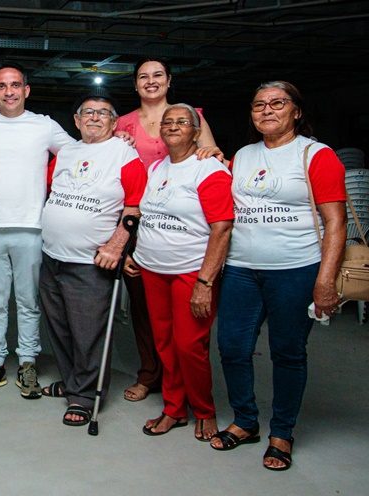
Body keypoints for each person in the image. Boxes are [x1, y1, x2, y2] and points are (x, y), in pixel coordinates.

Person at [210, 81, 346, 471]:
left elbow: (335, 223)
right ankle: (245, 422)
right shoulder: (244, 156)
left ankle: (282, 432)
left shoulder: (316, 155)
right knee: (233, 347)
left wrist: (324, 279)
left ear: (296, 111)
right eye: (258, 105)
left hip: (295, 270)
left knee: (287, 353)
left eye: (277, 103)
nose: (267, 110)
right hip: (240, 269)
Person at [0, 62, 74, 399]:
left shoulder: (44, 126)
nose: (9, 92)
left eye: (15, 85)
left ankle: (28, 362)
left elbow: (79, 153)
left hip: (32, 228)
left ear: (26, 90)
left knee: (28, 301)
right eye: (2, 86)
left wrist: (116, 138)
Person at [115, 57, 222, 403]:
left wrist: (212, 154)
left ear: (169, 80)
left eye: (157, 75)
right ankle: (151, 374)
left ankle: (189, 390)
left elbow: (213, 155)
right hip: (141, 219)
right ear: (135, 85)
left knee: (186, 323)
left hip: (184, 222)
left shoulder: (191, 116)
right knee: (146, 313)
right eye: (143, 76)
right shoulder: (124, 123)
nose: (150, 81)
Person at [126, 104, 233, 441]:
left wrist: (205, 281)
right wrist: (135, 252)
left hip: (190, 271)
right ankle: (174, 408)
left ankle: (204, 409)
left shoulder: (209, 170)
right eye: (168, 122)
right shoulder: (157, 166)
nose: (173, 126)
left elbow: (222, 229)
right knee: (165, 342)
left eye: (182, 122)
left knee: (190, 345)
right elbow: (145, 213)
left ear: (196, 130)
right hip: (152, 270)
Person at [39, 93, 146, 426]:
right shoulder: (66, 152)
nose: (95, 118)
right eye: (88, 113)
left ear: (115, 123)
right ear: (76, 120)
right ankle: (73, 383)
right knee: (60, 328)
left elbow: (134, 206)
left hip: (91, 261)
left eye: (103, 114)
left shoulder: (125, 154)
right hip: (52, 256)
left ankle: (85, 396)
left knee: (89, 332)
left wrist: (116, 246)